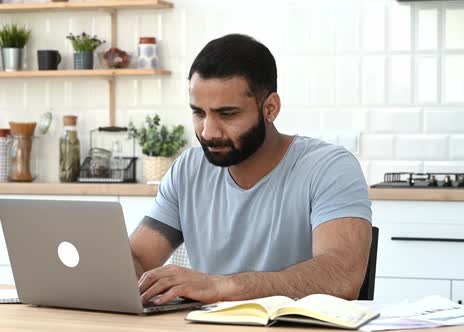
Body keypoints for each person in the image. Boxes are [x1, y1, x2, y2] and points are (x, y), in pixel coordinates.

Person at [129, 34, 372, 306]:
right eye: (199, 113)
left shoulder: (329, 168)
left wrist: (221, 286)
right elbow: (138, 259)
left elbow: (342, 276)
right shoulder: (188, 169)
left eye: (227, 114)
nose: (208, 132)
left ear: (270, 108)